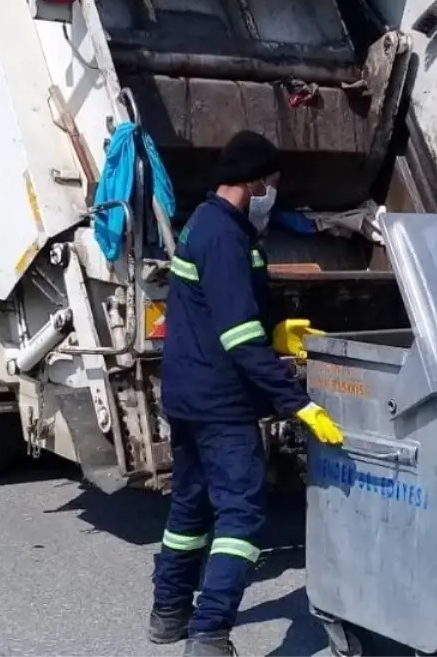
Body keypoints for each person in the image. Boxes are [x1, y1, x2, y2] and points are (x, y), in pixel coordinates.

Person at [148, 130, 344, 657]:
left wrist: (279, 332)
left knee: (190, 506)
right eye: (271, 182)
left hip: (188, 393)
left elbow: (222, 312)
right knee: (240, 515)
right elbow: (237, 334)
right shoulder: (226, 237)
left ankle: (168, 613)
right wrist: (295, 401)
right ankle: (210, 634)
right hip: (219, 402)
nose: (272, 192)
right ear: (254, 181)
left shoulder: (209, 224)